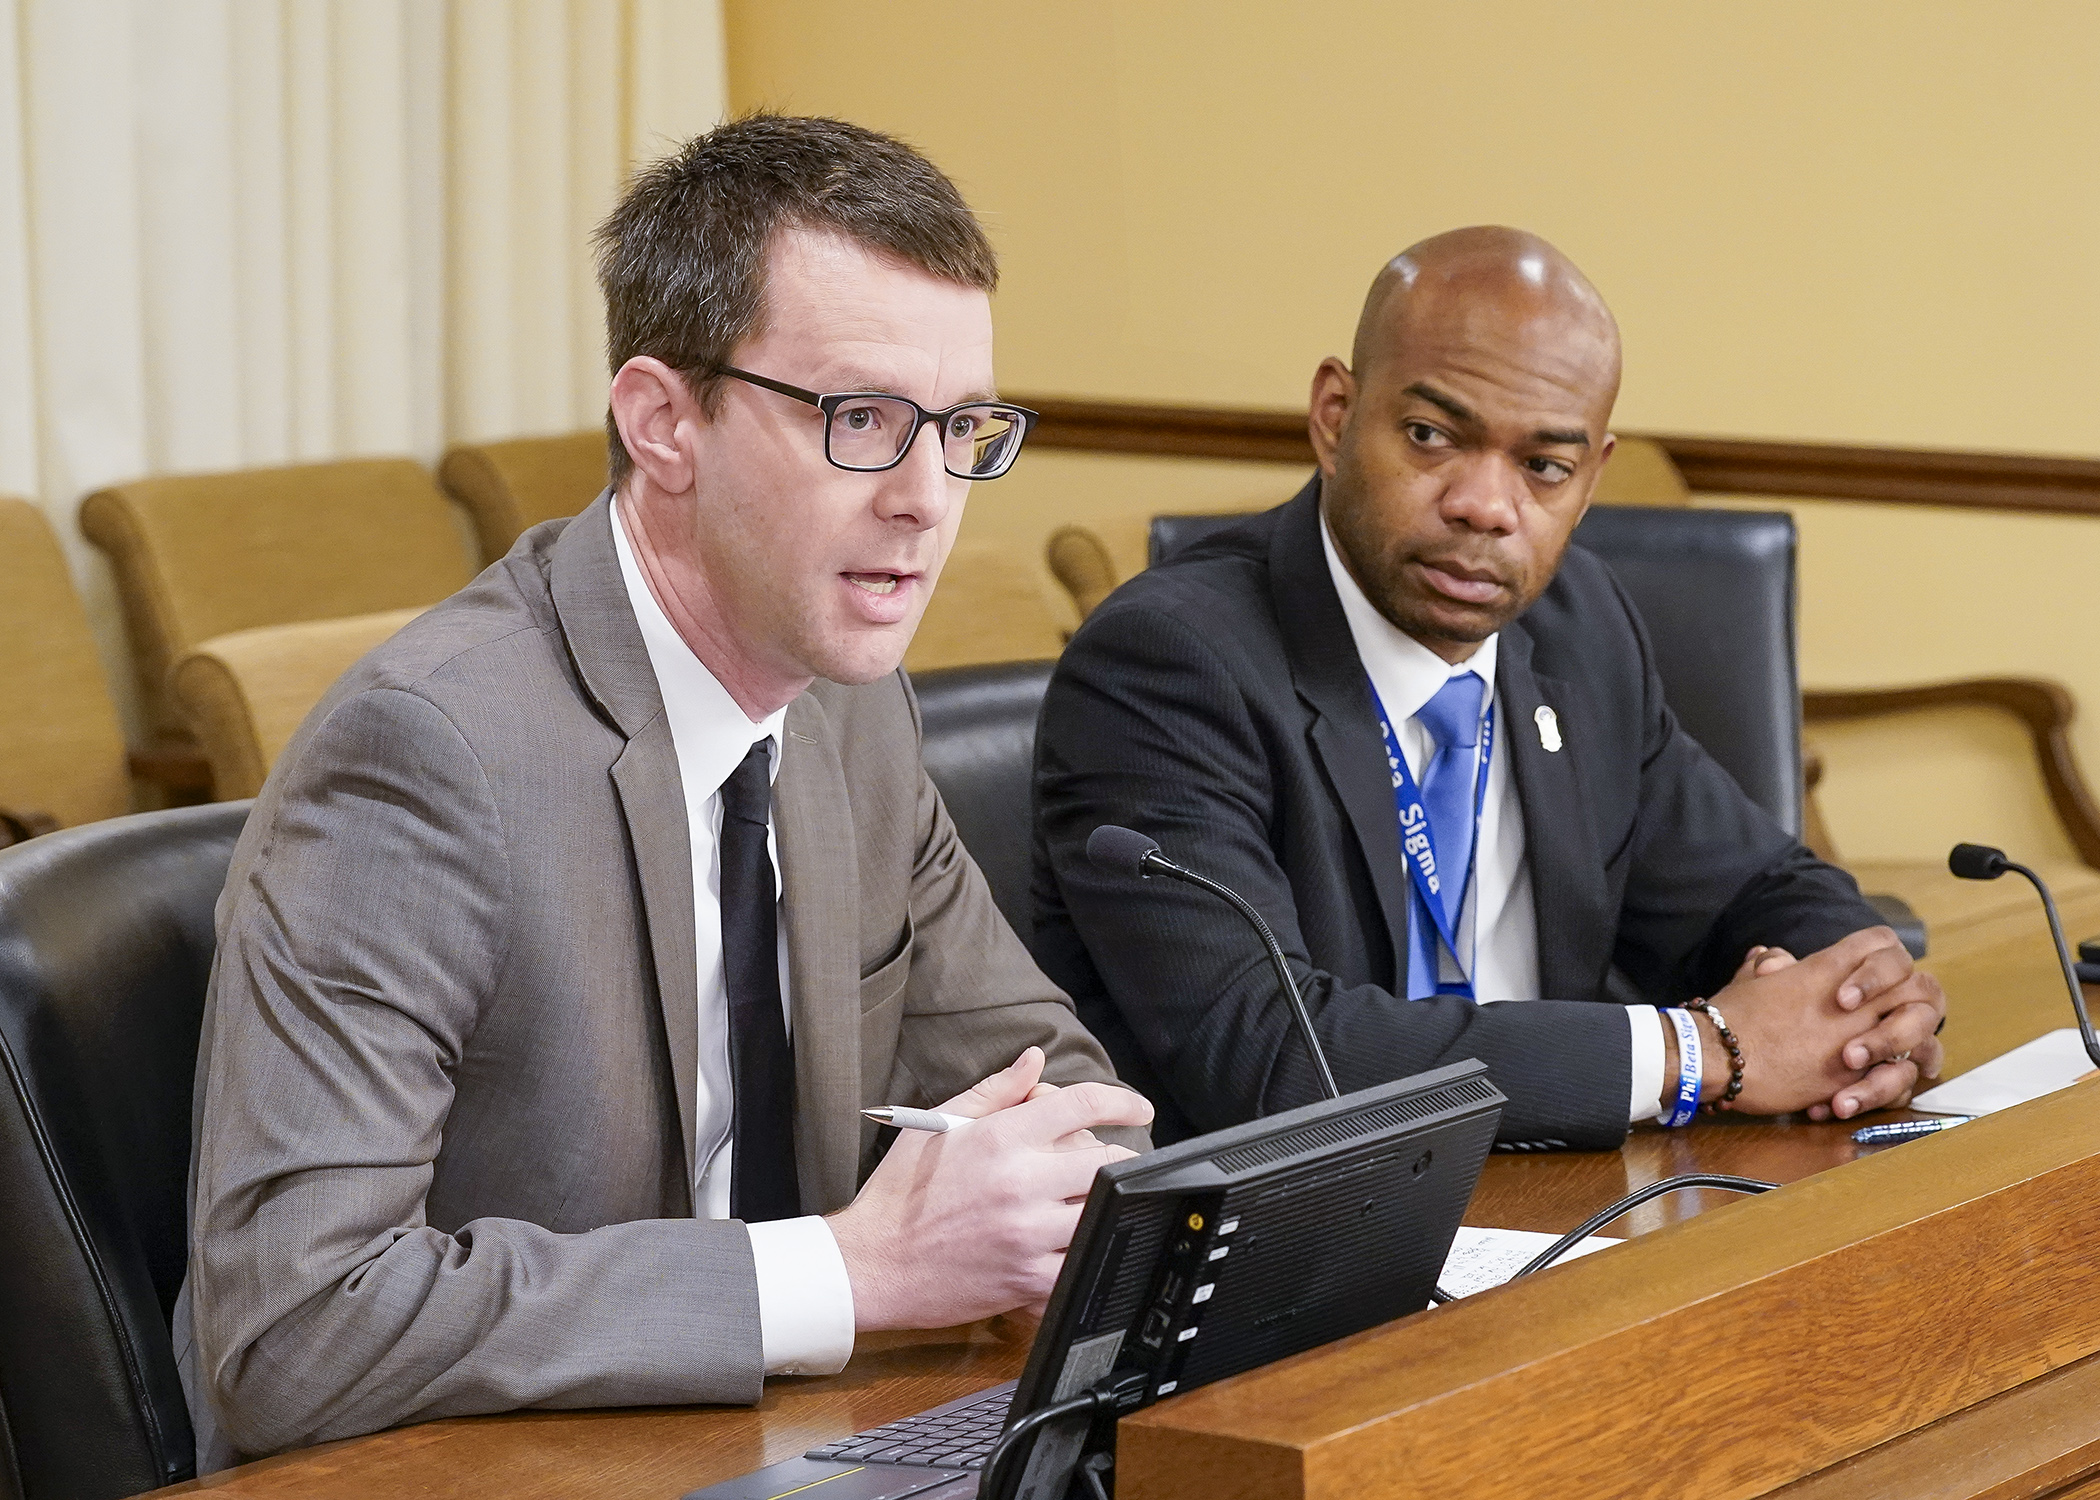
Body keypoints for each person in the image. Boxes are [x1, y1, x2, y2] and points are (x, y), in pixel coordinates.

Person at [179, 115, 1150, 1467]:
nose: (931, 499)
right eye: (864, 420)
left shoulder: (852, 706)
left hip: (793, 1444)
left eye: (963, 428)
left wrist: (1058, 1193)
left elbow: (1053, 1084)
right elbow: (291, 1330)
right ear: (662, 422)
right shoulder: (426, 754)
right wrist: (852, 1273)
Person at [1031, 226, 1943, 1149]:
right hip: (1301, 1237)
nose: (1486, 505)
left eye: (1544, 467)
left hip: (1567, 1197)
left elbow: (1762, 883)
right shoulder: (1168, 663)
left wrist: (1864, 1003)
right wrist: (1694, 1051)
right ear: (1336, 418)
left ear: (1590, 483)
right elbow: (1270, 1055)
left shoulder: (1579, 626)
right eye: (1431, 436)